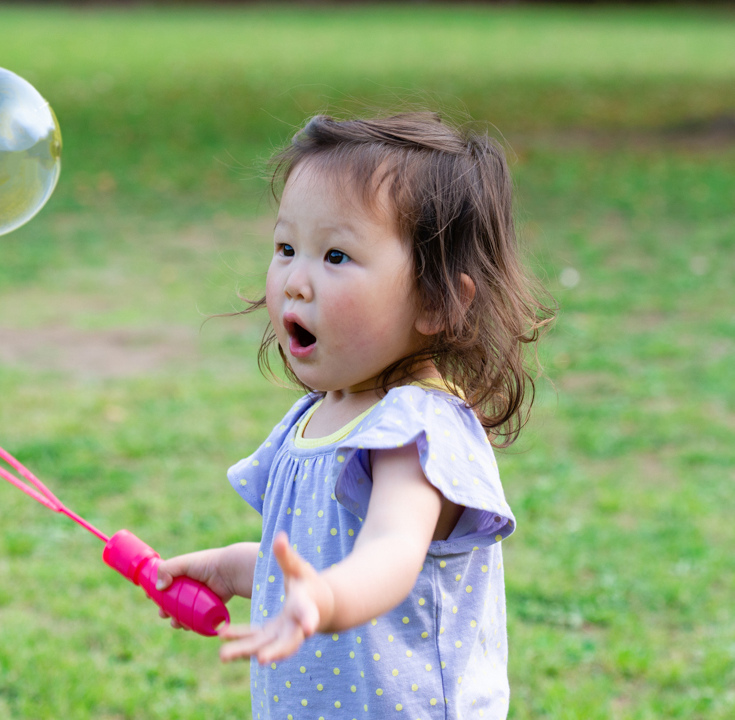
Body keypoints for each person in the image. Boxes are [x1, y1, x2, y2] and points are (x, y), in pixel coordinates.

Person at [155, 112, 554, 719]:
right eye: (286, 248)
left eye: (336, 255)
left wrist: (326, 598)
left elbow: (391, 552)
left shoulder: (416, 429)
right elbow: (325, 555)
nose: (295, 281)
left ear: (438, 300)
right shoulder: (315, 418)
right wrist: (240, 568)